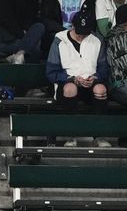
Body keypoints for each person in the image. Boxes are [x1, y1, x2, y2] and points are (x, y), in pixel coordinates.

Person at [45, 10, 110, 147]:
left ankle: (99, 136)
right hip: (67, 82)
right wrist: (72, 78)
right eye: (79, 31)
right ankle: (71, 135)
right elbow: (51, 72)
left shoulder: (97, 40)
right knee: (70, 89)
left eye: (85, 32)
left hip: (91, 82)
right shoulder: (59, 39)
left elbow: (103, 68)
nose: (81, 36)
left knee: (101, 89)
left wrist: (95, 77)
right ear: (72, 26)